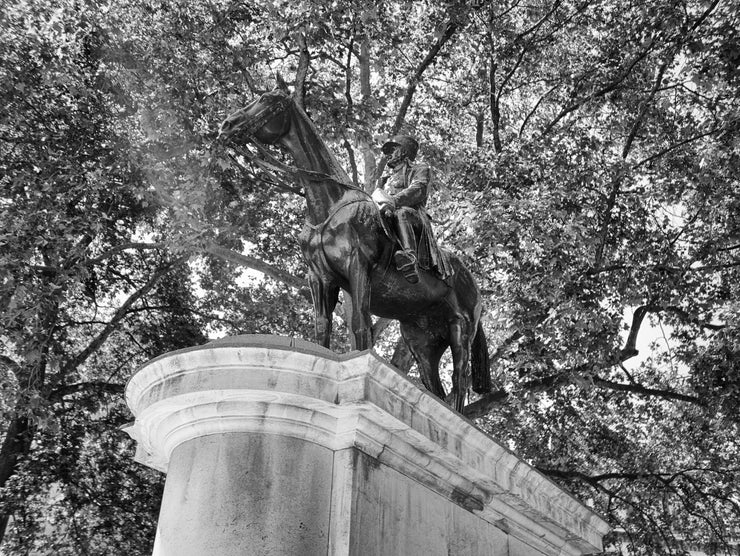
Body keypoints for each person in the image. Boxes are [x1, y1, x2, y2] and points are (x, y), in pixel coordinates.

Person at [377, 135, 450, 284]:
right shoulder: (384, 180)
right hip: (387, 213)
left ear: (404, 151)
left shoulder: (420, 169)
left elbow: (418, 189)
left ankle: (410, 257)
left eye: (393, 149)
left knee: (401, 212)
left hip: (413, 217)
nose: (388, 154)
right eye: (387, 151)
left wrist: (392, 201)